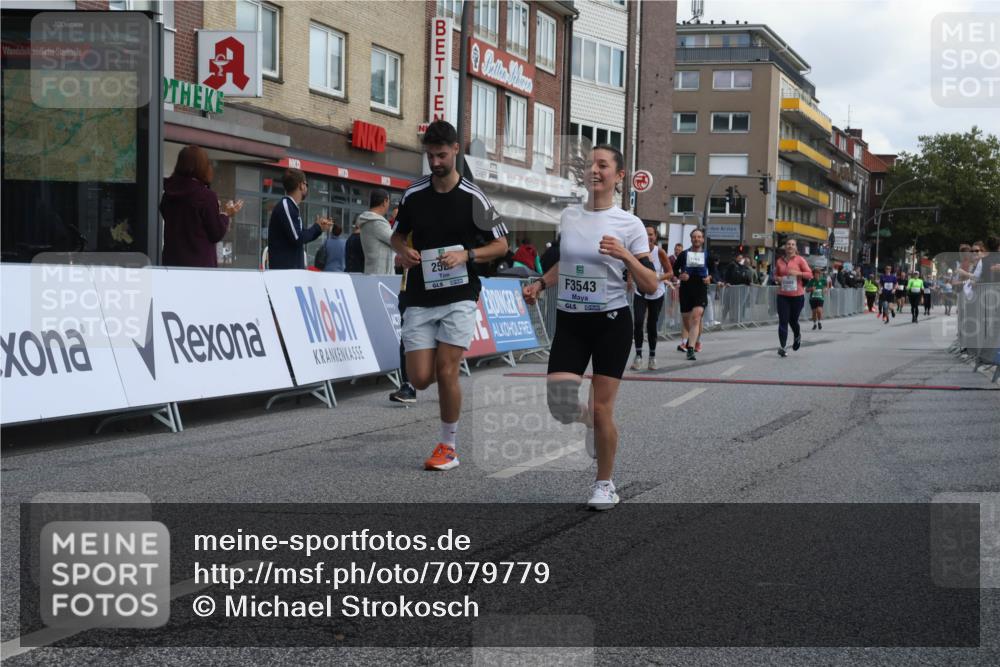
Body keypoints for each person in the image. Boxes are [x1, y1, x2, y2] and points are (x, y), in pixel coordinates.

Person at [522, 144, 658, 510]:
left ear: (619, 175)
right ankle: (590, 424)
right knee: (560, 404)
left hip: (611, 323)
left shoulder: (629, 224)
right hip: (571, 322)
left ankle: (604, 484)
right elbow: (566, 264)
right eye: (589, 165)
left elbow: (650, 285)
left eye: (602, 165)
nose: (594, 170)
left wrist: (625, 254)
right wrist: (541, 283)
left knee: (602, 409)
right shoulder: (570, 216)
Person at [390, 120, 509, 471]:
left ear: (456, 150)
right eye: (430, 156)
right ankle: (444, 432)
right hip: (420, 295)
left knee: (446, 370)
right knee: (419, 377)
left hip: (460, 295)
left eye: (441, 155)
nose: (435, 162)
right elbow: (397, 236)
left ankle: (448, 446)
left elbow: (501, 245)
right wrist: (403, 252)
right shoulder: (414, 194)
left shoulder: (474, 197)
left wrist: (467, 255)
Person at [160, 145, 243, 267]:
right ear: (201, 167)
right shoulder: (206, 196)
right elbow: (216, 233)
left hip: (171, 263)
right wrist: (225, 214)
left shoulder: (168, 193)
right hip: (199, 267)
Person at [267, 168, 331, 270]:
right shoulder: (286, 205)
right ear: (301, 185)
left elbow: (301, 236)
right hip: (285, 272)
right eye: (306, 184)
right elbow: (298, 238)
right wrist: (316, 227)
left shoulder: (291, 206)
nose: (306, 187)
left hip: (291, 271)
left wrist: (319, 229)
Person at [629, 225, 673, 371]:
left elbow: (670, 272)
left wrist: (656, 277)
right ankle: (638, 356)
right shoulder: (637, 251)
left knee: (652, 325)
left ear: (655, 236)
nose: (648, 237)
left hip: (656, 292)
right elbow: (630, 266)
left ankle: (652, 357)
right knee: (638, 322)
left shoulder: (659, 252)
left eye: (651, 234)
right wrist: (630, 279)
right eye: (645, 234)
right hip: (640, 291)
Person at [672, 228, 711, 360]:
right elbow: (674, 269)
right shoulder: (684, 254)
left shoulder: (707, 255)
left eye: (699, 237)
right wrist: (680, 275)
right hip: (686, 289)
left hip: (700, 287)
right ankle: (693, 340)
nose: (696, 239)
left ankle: (690, 349)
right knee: (686, 318)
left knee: (696, 317)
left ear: (703, 239)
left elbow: (714, 271)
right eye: (694, 237)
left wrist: (710, 277)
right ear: (691, 239)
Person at [773, 238, 811, 357]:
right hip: (783, 295)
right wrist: (778, 278)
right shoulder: (779, 261)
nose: (790, 246)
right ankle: (783, 347)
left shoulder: (800, 260)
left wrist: (798, 273)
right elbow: (775, 275)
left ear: (795, 248)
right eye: (788, 244)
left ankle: (797, 335)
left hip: (797, 296)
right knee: (783, 321)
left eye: (792, 244)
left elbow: (809, 274)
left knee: (793, 320)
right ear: (785, 247)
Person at [358, 189, 395, 275]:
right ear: (385, 201)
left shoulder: (369, 221)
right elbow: (396, 240)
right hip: (381, 277)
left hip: (373, 272)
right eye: (388, 202)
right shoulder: (377, 223)